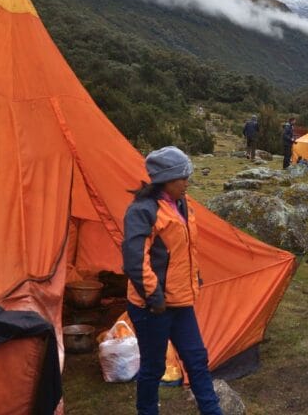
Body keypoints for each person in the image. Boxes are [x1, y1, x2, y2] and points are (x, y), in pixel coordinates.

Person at [122, 146, 223, 415]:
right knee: (153, 367)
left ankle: (212, 411)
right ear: (166, 180)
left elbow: (185, 249)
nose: (187, 182)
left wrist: (194, 278)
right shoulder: (142, 211)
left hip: (181, 300)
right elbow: (134, 261)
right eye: (182, 177)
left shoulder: (182, 204)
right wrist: (154, 298)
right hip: (151, 306)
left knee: (196, 359)